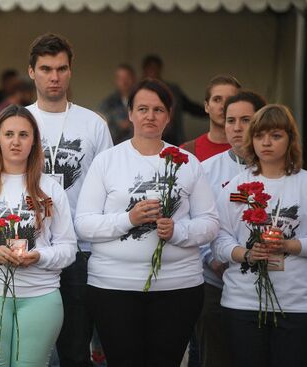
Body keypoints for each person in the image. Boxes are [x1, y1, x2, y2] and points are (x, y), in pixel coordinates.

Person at [75, 78, 219, 366]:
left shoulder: (187, 162)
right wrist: (129, 219)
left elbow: (210, 223)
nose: (150, 116)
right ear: (130, 114)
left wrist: (178, 231)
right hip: (114, 288)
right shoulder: (107, 161)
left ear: (168, 115)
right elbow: (84, 224)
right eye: (142, 108)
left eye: (157, 109)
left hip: (178, 288)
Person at [0, 104, 77, 366]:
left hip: (40, 296)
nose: (15, 142)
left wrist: (39, 255)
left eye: (23, 135)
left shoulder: (50, 189)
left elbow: (68, 248)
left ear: (34, 141)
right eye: (8, 134)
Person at [26, 33, 113, 367]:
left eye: (61, 68)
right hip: (31, 248)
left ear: (70, 71)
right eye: (46, 68)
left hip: (82, 250)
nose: (54, 76)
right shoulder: (18, 122)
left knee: (76, 350)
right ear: (31, 71)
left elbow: (110, 189)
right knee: (35, 352)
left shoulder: (93, 124)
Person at [212, 104, 307, 367]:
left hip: (296, 303)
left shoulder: (304, 184)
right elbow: (220, 239)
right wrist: (247, 254)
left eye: (276, 135)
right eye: (259, 136)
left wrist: (290, 244)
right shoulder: (239, 188)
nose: (266, 143)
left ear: (290, 139)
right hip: (244, 303)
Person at [196, 91, 266, 367]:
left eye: (246, 120)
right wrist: (212, 259)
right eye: (230, 120)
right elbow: (196, 220)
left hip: (272, 286)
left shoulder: (282, 172)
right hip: (216, 284)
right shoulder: (205, 169)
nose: (237, 128)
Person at [142, 54, 205, 146]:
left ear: (160, 69)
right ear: (144, 70)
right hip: (146, 139)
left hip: (172, 138)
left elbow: (191, 107)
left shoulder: (173, 91)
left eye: (155, 68)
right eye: (150, 68)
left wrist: (210, 111)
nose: (152, 71)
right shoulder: (138, 92)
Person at [180, 75, 241, 162]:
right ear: (206, 106)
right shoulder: (186, 152)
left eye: (231, 100)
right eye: (217, 99)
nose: (223, 106)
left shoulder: (254, 151)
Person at [98, 63, 136, 144]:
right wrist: (118, 124)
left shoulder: (142, 100)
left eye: (127, 77)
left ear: (134, 79)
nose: (124, 81)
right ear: (115, 81)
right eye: (120, 78)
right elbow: (101, 125)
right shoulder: (108, 103)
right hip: (116, 146)